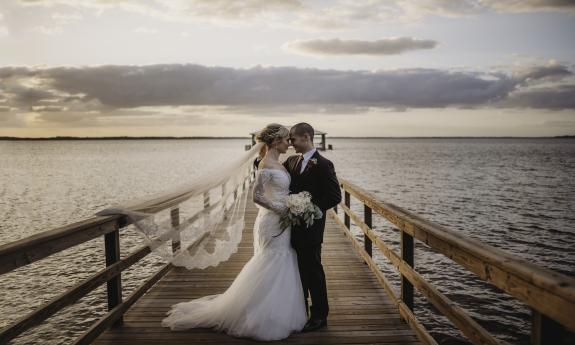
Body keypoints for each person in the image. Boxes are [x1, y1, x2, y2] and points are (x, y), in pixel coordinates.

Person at [161, 123, 307, 341]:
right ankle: (259, 316)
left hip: (281, 222)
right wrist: (283, 208)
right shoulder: (266, 164)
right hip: (271, 222)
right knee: (271, 261)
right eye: (287, 139)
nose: (290, 143)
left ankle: (276, 312)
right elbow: (257, 196)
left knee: (282, 259)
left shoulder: (279, 162)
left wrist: (292, 205)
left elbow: (278, 191)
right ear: (276, 142)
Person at [283, 122, 342, 332]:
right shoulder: (291, 161)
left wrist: (309, 209)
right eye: (289, 140)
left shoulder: (324, 164)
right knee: (298, 271)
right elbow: (271, 173)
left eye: (294, 139)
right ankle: (301, 311)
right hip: (290, 229)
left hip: (311, 228)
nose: (291, 144)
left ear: (306, 137)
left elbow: (335, 196)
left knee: (313, 270)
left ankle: (319, 315)